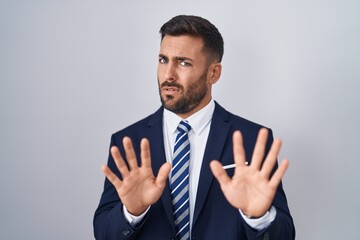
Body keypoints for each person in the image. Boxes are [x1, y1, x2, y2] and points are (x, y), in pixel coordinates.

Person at [93, 15, 295, 240]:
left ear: (213, 73)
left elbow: (284, 235)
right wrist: (131, 213)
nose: (168, 75)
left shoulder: (253, 140)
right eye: (163, 60)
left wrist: (258, 217)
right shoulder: (127, 142)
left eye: (183, 63)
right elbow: (103, 234)